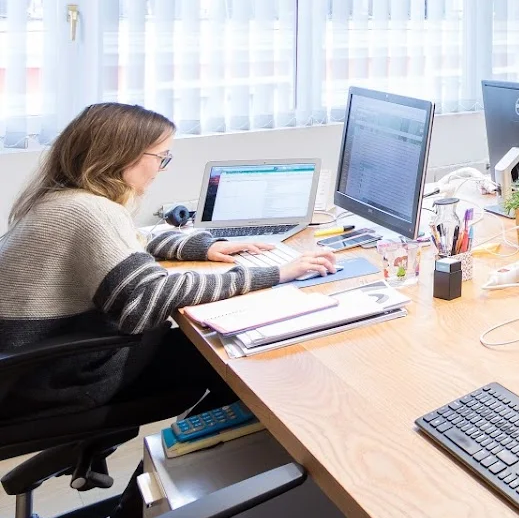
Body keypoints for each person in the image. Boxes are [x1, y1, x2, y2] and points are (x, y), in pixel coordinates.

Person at [0, 103, 335, 417]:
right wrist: (273, 274)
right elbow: (148, 299)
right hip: (59, 380)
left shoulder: (63, 199)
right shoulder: (90, 211)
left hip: (29, 369)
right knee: (234, 357)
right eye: (161, 157)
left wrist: (203, 248)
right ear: (121, 155)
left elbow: (132, 243)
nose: (161, 169)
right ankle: (192, 453)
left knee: (211, 347)